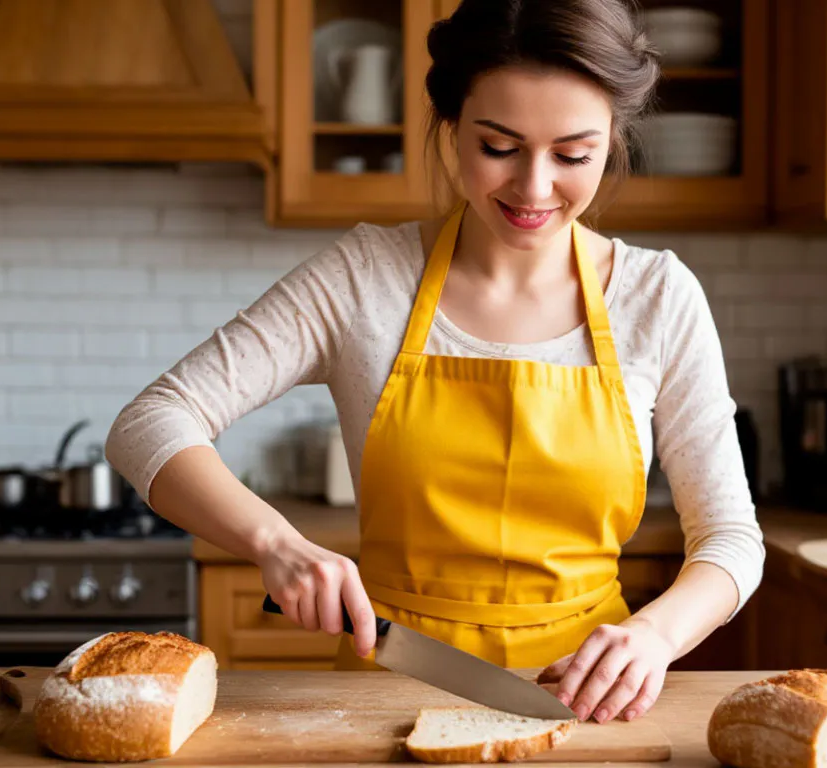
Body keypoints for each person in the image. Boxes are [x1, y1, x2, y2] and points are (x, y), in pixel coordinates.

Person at [105, 0, 763, 727]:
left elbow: (731, 537)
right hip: (382, 697)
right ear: (451, 127)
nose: (535, 188)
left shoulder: (659, 296)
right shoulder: (364, 277)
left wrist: (656, 634)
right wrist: (276, 544)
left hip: (588, 704)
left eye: (573, 155)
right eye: (499, 147)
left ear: (613, 140)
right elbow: (150, 421)